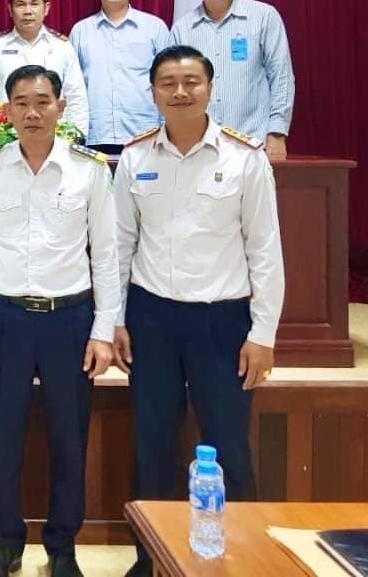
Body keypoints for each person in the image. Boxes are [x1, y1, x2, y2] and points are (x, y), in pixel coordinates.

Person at [112, 45, 285, 577]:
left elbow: (265, 249)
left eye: (191, 81)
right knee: (152, 445)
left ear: (210, 87)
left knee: (229, 444)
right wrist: (115, 319)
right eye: (168, 83)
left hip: (222, 323)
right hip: (152, 320)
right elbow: (120, 246)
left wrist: (263, 333)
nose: (180, 91)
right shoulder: (135, 157)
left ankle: (240, 558)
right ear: (153, 92)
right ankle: (151, 558)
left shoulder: (244, 158)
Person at [0, 66, 119, 577]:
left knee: (69, 438)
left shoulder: (89, 170)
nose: (33, 112)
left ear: (60, 108)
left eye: (43, 101)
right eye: (22, 103)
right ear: (7, 111)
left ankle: (62, 546)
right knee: (3, 437)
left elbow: (107, 256)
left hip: (69, 319)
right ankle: (5, 543)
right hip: (6, 318)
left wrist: (103, 330)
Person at [168, 0, 294, 160]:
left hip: (253, 142)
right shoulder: (182, 29)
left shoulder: (263, 16)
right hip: (199, 145)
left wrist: (277, 132)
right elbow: (174, 86)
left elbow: (281, 76)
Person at [69, 0, 168, 155]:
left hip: (145, 133)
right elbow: (71, 87)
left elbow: (167, 81)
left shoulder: (154, 28)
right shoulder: (80, 31)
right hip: (95, 135)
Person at [0, 0, 89, 136]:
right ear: (10, 9)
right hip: (4, 139)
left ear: (46, 8)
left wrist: (75, 139)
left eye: (34, 4)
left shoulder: (62, 47)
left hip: (54, 139)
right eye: (20, 4)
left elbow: (76, 99)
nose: (27, 11)